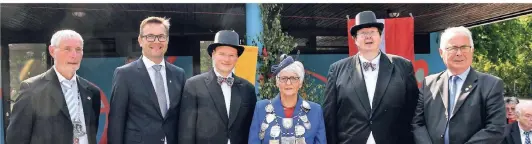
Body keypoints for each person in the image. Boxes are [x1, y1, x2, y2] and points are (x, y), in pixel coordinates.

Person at [323, 10, 419, 144]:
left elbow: (414, 111)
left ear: (380, 36)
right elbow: (329, 116)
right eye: (363, 33)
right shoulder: (337, 70)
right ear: (355, 39)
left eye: (372, 32)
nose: (368, 37)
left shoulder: (403, 66)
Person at [412, 26, 506, 144]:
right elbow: (418, 123)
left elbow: (496, 128)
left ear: (472, 50)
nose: (459, 53)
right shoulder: (428, 84)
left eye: (464, 47)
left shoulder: (491, 85)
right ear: (441, 53)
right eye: (453, 48)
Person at [6, 29, 101, 144]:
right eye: (67, 49)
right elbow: (16, 138)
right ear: (52, 51)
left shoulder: (92, 92)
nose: (73, 55)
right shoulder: (32, 89)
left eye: (78, 49)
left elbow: (92, 132)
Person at [108, 16, 186, 144]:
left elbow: (182, 118)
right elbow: (116, 121)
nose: (156, 41)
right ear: (140, 40)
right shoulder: (124, 74)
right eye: (150, 36)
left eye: (161, 36)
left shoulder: (179, 74)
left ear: (167, 40)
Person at [178, 30, 257, 144]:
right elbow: (186, 131)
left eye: (231, 55)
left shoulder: (248, 88)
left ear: (237, 58)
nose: (227, 59)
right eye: (222, 54)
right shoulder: (194, 85)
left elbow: (252, 127)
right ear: (213, 54)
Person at [248, 56, 326, 144]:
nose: (288, 83)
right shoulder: (261, 108)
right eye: (283, 78)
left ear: (300, 83)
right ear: (277, 82)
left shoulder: (315, 110)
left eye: (293, 78)